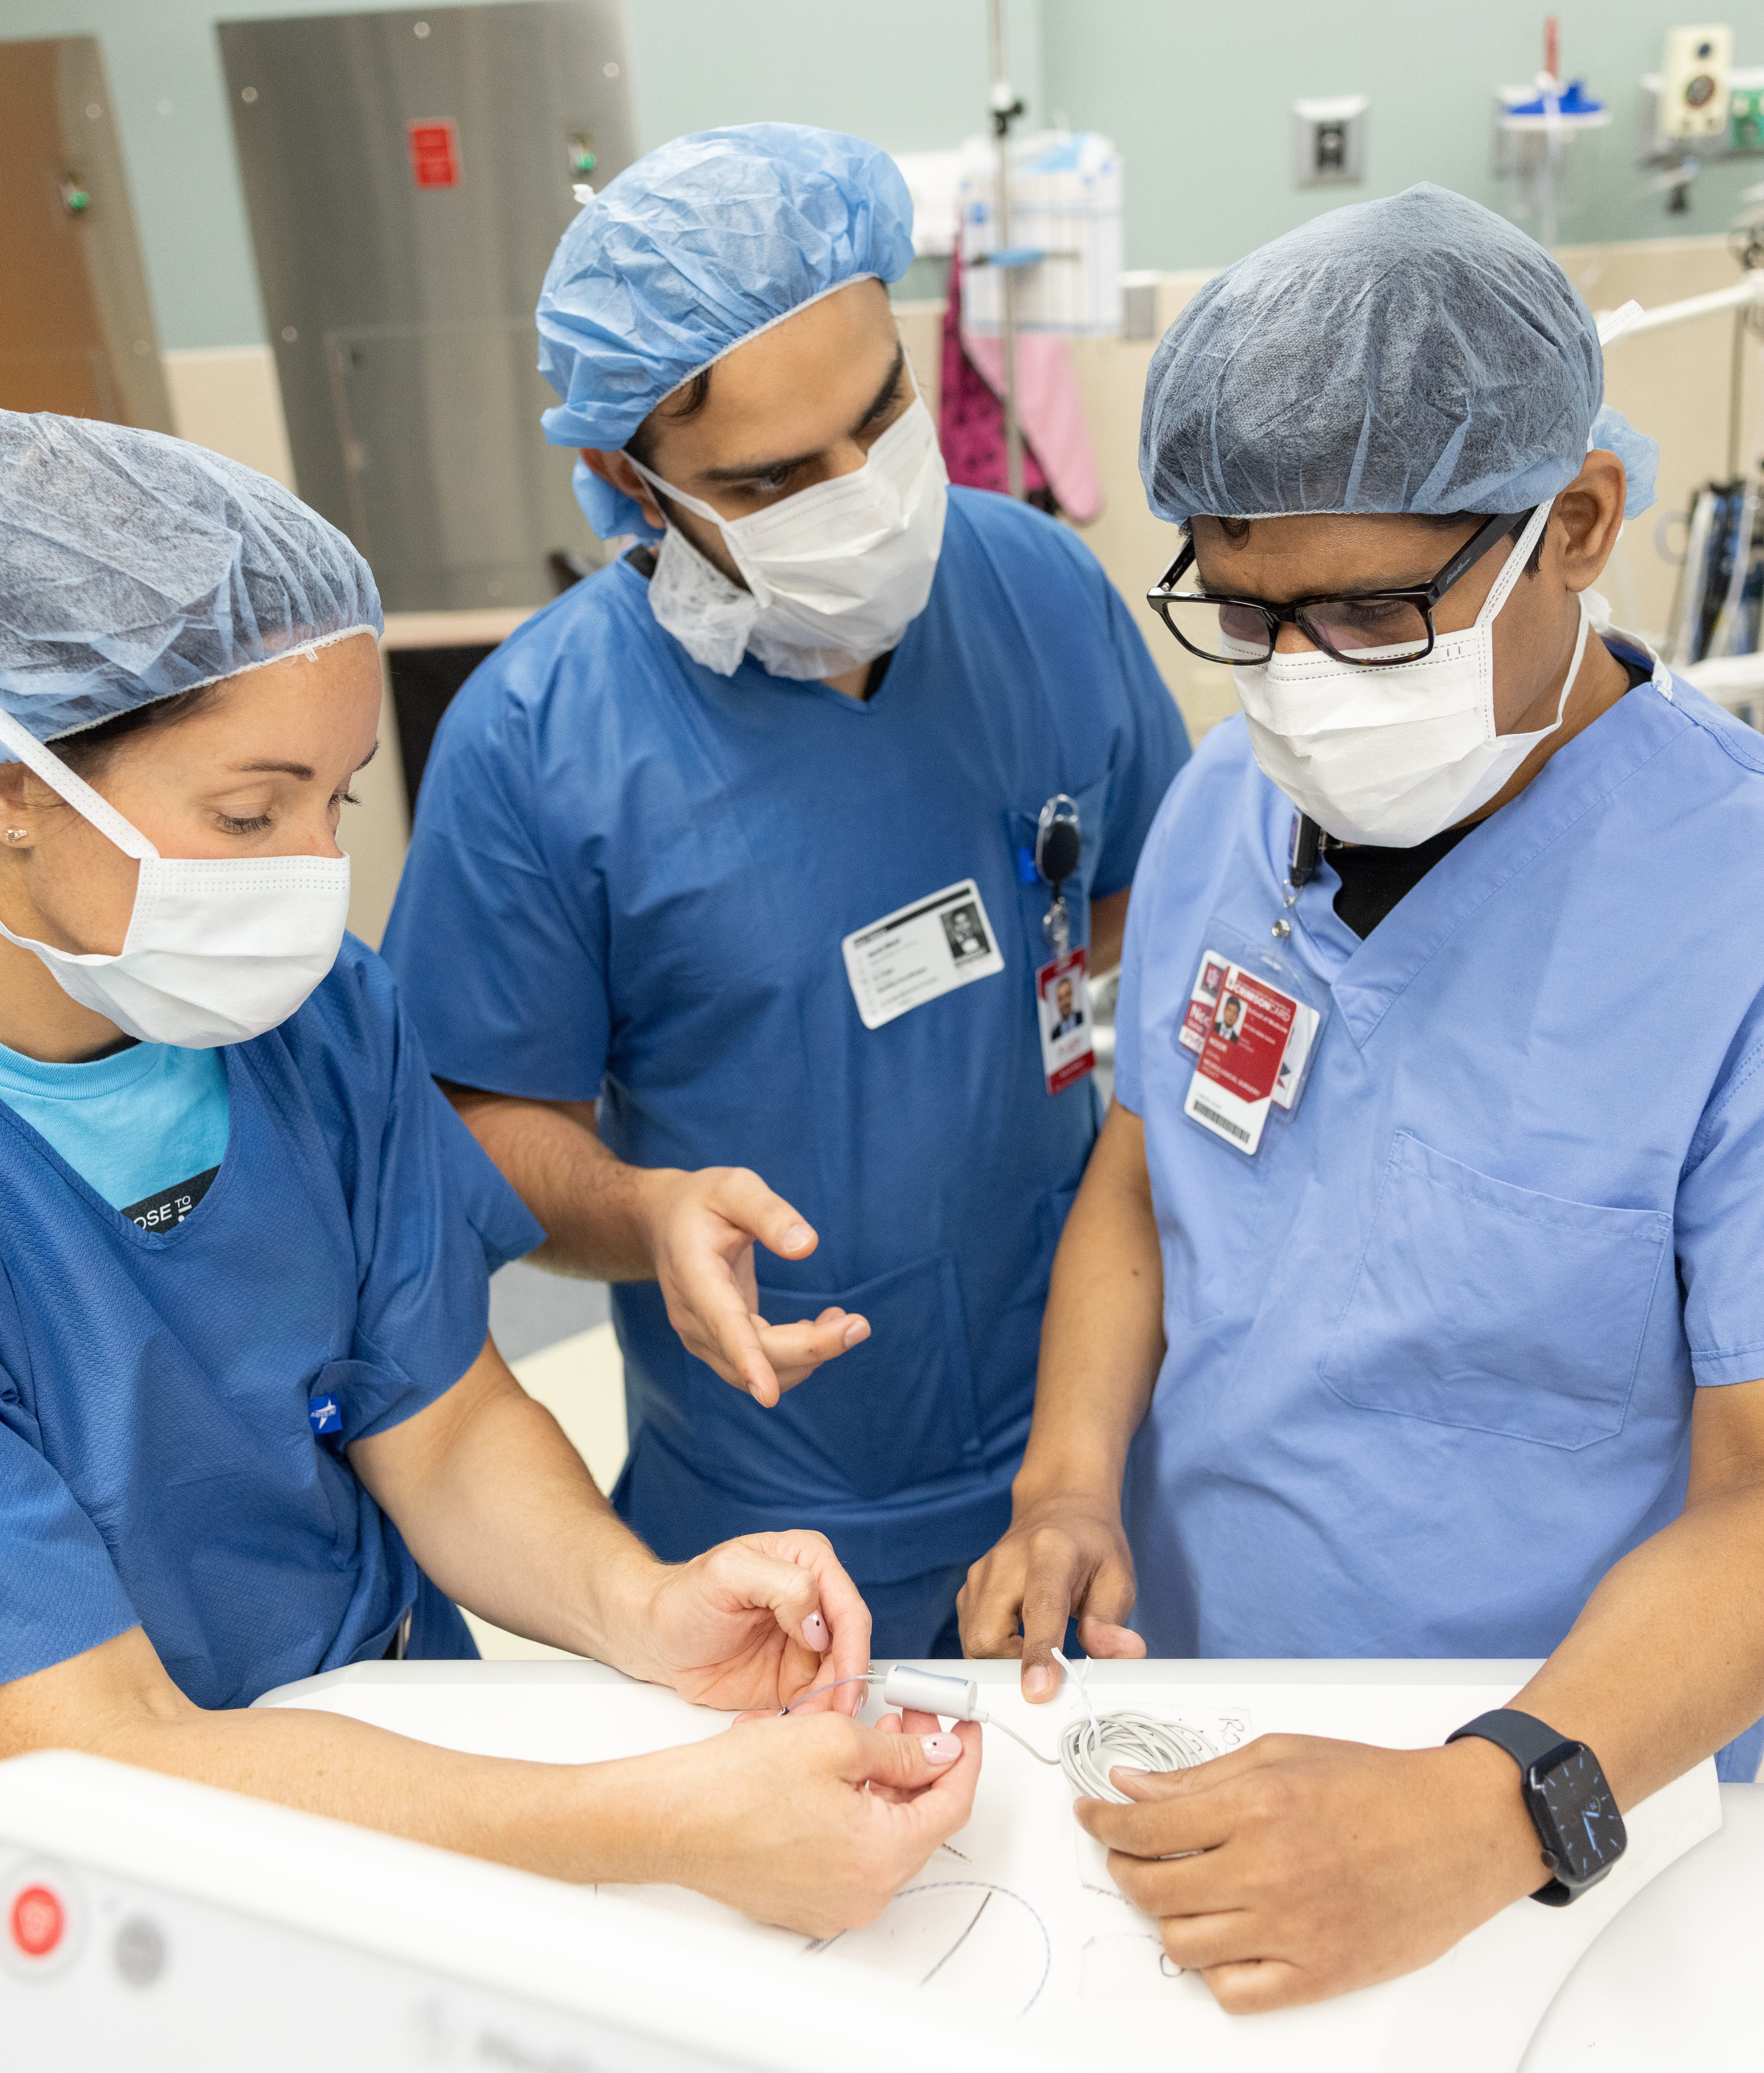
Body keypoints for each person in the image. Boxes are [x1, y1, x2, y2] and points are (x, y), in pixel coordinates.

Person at [0, 411, 980, 2073]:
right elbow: (97, 1756)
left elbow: (438, 1424)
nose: (314, 877)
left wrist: (640, 1608)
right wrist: (661, 1820)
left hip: (389, 1800)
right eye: (247, 813)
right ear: (8, 777)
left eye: (340, 801)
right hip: (38, 1940)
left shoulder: (300, 1010)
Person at [959, 187, 1764, 2008]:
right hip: (1195, 1692)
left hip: (1564, 1781)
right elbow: (1143, 1177)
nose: (1299, 680)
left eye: (1371, 614)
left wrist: (1499, 1803)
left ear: (1578, 524)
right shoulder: (1233, 804)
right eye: (1243, 607)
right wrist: (1068, 1485)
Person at [382, 126, 1192, 1654]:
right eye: (772, 479)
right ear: (633, 482)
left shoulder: (1039, 590)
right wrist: (640, 1209)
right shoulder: (544, 744)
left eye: (881, 418)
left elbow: (1141, 918)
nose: (865, 496)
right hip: (783, 1499)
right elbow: (486, 1123)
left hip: (1087, 1442)